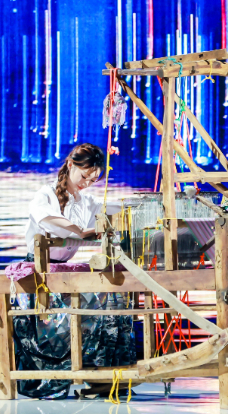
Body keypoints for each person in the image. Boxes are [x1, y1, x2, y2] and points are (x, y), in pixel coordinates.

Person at [13, 143, 136, 399]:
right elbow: (46, 218)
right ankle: (51, 379)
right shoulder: (46, 194)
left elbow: (117, 209)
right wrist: (79, 231)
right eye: (85, 176)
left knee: (112, 304)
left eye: (93, 180)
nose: (87, 183)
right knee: (57, 326)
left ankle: (105, 375)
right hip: (40, 267)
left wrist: (140, 207)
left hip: (62, 270)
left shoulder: (88, 201)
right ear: (70, 164)